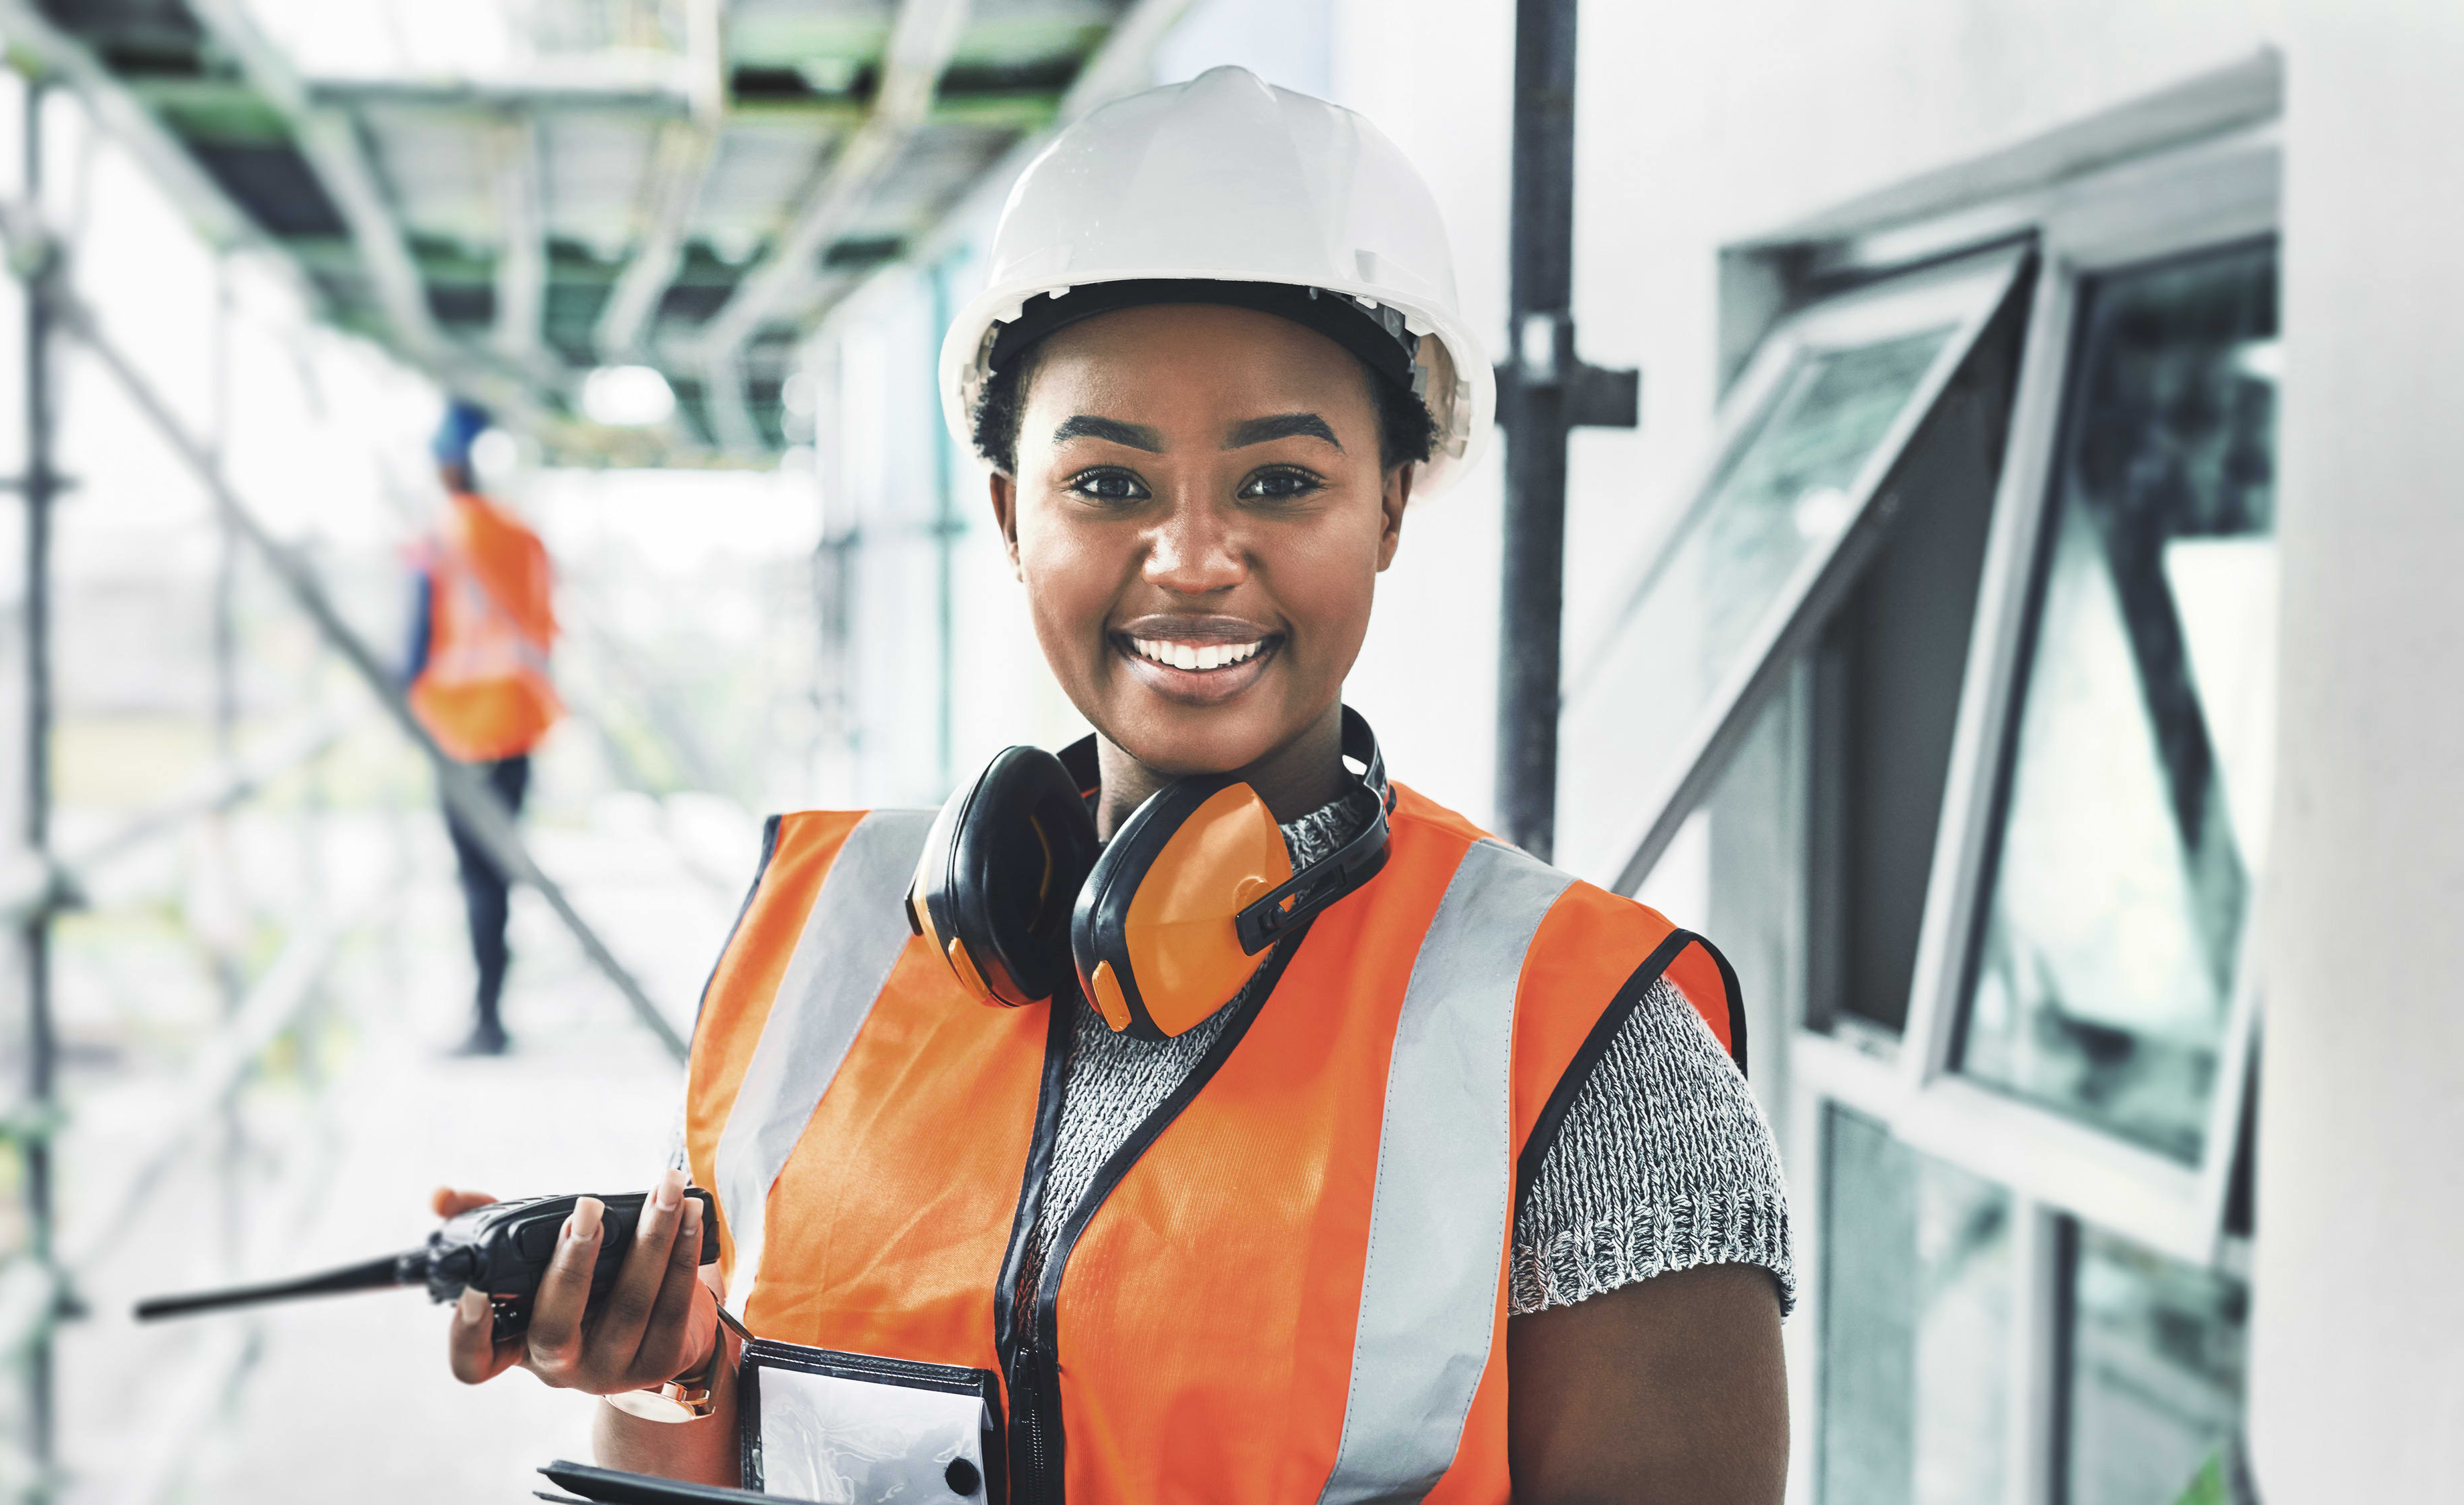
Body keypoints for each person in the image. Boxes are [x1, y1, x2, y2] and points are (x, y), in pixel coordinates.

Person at [436, 68, 1790, 1502]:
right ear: (1010, 513)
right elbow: (705, 1450)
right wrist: (663, 1367)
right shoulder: (810, 951)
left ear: (1390, 503)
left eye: (1278, 482)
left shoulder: (1587, 1045)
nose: (1192, 557)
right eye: (1105, 483)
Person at [405, 399, 561, 1058]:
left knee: (477, 880)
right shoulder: (524, 536)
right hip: (520, 726)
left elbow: (410, 651)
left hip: (465, 735)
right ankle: (491, 1011)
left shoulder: (438, 541)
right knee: (497, 876)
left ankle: (488, 1019)